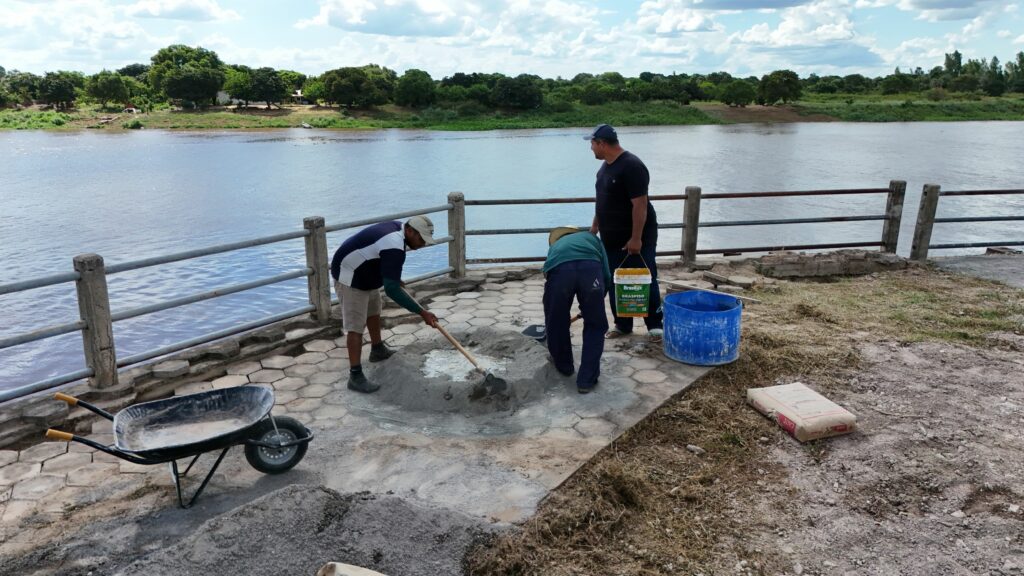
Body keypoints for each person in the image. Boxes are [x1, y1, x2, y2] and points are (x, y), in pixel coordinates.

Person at [330, 216, 439, 393]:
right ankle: (355, 376)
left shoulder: (400, 232)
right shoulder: (394, 245)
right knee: (355, 326)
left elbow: (382, 258)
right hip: (349, 274)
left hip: (368, 271)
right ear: (410, 231)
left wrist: (391, 277)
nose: (423, 244)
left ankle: (377, 349)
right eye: (421, 239)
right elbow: (392, 290)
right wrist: (422, 312)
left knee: (374, 310)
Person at [585, 123, 663, 341]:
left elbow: (640, 205)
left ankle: (655, 325)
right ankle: (622, 324)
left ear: (602, 143)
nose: (591, 148)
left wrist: (636, 238)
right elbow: (602, 201)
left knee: (645, 277)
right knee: (615, 280)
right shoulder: (604, 168)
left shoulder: (632, 166)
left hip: (637, 237)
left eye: (592, 144)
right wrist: (594, 228)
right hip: (611, 238)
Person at [542, 226, 611, 394]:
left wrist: (554, 306)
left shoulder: (556, 247)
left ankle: (564, 366)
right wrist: (594, 304)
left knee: (556, 320)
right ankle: (586, 380)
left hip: (560, 273)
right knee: (595, 325)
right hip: (591, 270)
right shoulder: (591, 238)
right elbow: (606, 274)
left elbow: (548, 273)